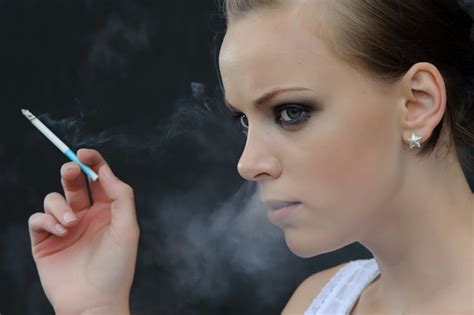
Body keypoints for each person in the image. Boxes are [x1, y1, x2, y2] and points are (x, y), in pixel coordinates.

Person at [28, 0, 474, 314]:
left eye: (290, 112)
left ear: (416, 103)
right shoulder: (318, 303)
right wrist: (94, 306)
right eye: (244, 120)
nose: (247, 163)